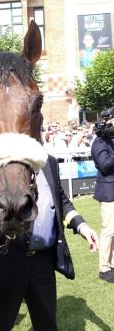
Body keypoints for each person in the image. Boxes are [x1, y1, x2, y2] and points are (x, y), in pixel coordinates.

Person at [0, 154, 99, 331]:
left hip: (43, 261)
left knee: (46, 324)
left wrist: (81, 225)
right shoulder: (2, 160)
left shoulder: (50, 162)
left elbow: (60, 198)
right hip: (7, 259)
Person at [91, 106, 114, 283]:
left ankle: (111, 264)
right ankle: (104, 269)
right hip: (108, 192)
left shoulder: (110, 141)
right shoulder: (99, 142)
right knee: (109, 231)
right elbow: (105, 165)